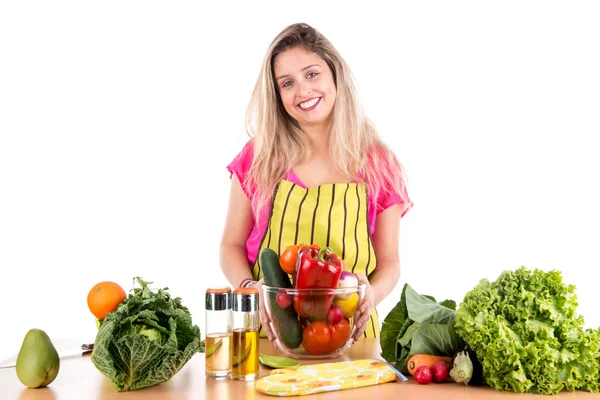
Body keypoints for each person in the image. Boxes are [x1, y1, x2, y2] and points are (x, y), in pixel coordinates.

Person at [219, 22, 412, 343]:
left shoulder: (378, 163)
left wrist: (371, 296)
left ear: (334, 74)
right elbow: (230, 246)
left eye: (312, 74)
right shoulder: (260, 156)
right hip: (268, 333)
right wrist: (249, 290)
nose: (303, 91)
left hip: (349, 334)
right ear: (277, 95)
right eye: (287, 83)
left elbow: (389, 261)